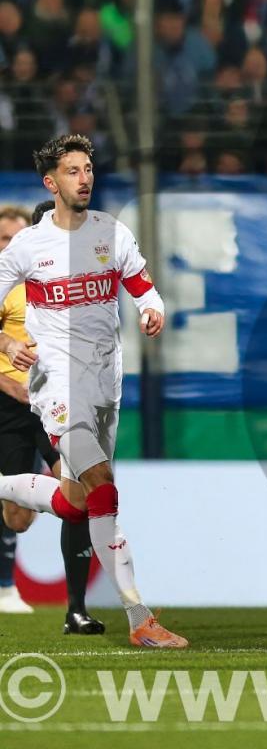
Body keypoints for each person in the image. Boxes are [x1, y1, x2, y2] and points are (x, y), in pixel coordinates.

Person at [0, 134, 187, 648]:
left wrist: (153, 309)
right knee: (103, 488)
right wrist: (7, 341)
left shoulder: (112, 231)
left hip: (106, 382)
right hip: (56, 383)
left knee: (74, 502)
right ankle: (139, 618)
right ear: (51, 182)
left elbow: (143, 285)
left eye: (88, 169)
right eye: (73, 171)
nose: (84, 179)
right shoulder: (28, 246)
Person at [0, 202, 103, 633]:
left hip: (56, 405)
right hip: (9, 406)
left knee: (80, 497)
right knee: (17, 520)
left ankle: (76, 611)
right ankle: (27, 486)